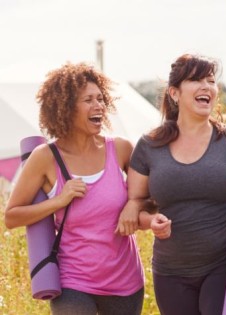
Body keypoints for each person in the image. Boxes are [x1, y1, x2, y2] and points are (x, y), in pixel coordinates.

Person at [124, 53, 226, 315]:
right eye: (196, 80)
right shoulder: (149, 146)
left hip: (225, 265)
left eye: (210, 81)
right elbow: (135, 203)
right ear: (174, 93)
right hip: (170, 271)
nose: (206, 87)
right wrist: (149, 221)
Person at [4, 62, 145, 314]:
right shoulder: (45, 157)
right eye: (88, 100)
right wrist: (58, 200)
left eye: (101, 98)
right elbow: (12, 216)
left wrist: (135, 205)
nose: (98, 105)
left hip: (125, 281)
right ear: (66, 108)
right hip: (74, 282)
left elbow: (147, 198)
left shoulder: (122, 150)